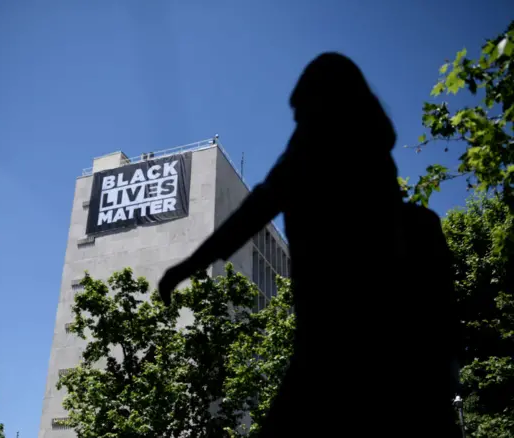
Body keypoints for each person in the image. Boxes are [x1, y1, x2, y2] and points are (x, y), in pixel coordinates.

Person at [159, 52, 461, 437]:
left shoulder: (311, 152)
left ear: (321, 104)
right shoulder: (398, 199)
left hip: (331, 352)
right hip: (392, 363)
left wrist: (185, 267)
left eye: (302, 111)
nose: (298, 122)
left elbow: (251, 213)